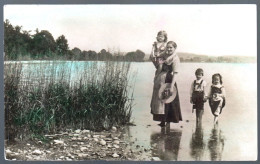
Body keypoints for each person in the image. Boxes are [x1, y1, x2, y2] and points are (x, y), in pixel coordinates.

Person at [150, 41, 182, 127]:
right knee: (160, 100)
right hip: (161, 79)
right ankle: (162, 121)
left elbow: (175, 73)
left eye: (171, 47)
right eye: (168, 47)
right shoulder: (164, 55)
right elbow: (155, 57)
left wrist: (172, 86)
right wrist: (154, 48)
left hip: (168, 79)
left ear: (175, 48)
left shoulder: (175, 58)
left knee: (168, 99)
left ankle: (168, 122)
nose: (169, 49)